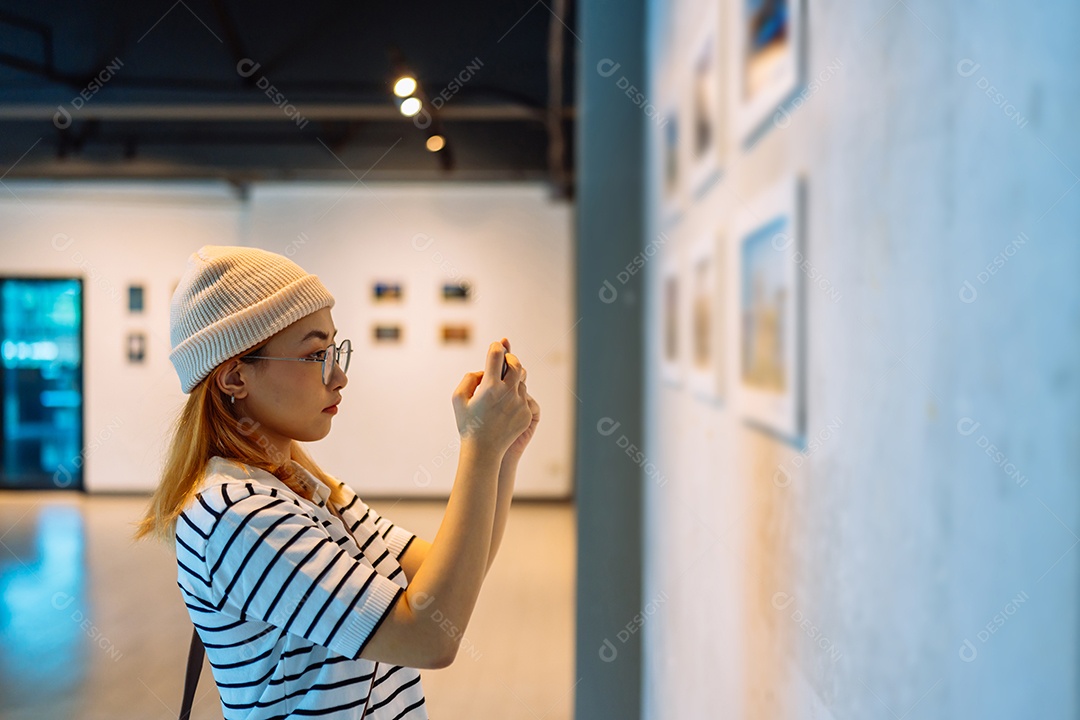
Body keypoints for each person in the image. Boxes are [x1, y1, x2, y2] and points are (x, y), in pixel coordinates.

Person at [133, 245, 539, 719]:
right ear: (234, 378)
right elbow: (429, 638)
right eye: (315, 354)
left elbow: (446, 576)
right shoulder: (235, 512)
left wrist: (501, 455)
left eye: (335, 349)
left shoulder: (305, 488)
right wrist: (480, 446)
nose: (339, 375)